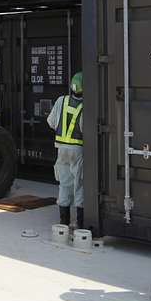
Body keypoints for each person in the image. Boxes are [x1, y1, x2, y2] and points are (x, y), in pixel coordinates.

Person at [47, 72, 84, 229]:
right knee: (80, 184)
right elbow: (85, 129)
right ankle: (81, 222)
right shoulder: (86, 106)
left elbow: (51, 122)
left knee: (64, 184)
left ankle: (64, 222)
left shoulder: (61, 100)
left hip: (61, 149)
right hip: (78, 150)